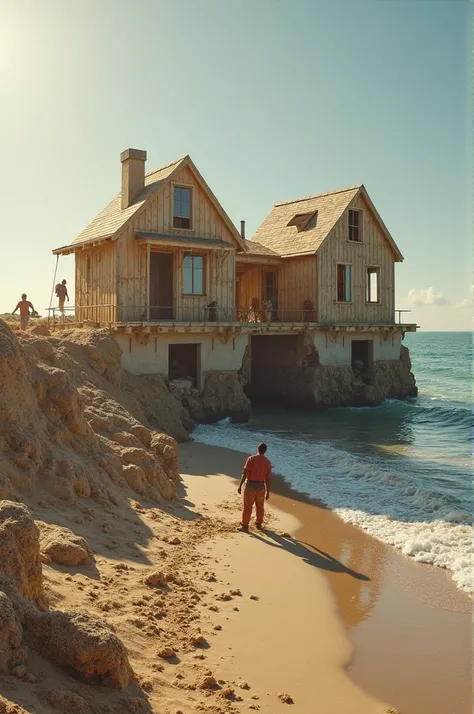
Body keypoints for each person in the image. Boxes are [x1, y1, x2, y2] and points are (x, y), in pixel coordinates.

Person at [237, 443, 271, 532]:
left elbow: (245, 473)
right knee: (260, 506)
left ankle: (245, 525)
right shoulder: (267, 462)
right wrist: (268, 490)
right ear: (265, 451)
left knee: (248, 506)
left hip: (251, 485)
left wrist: (240, 485)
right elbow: (267, 478)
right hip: (261, 486)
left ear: (257, 448)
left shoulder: (251, 459)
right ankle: (258, 523)